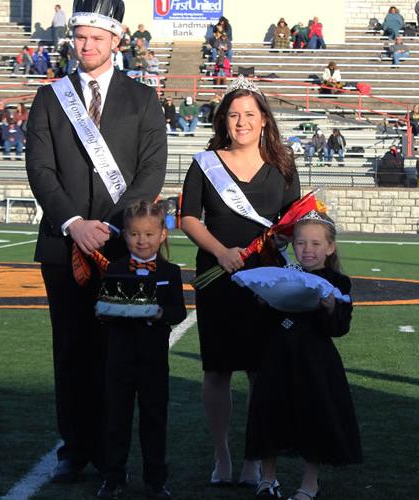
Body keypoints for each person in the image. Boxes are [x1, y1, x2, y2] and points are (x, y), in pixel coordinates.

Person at [25, 0, 167, 484]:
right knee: (70, 350)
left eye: (97, 38)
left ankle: (114, 455)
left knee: (118, 354)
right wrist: (73, 222)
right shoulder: (51, 97)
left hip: (124, 246)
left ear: (116, 41)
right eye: (80, 37)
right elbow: (40, 170)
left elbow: (151, 170)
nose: (87, 45)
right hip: (63, 244)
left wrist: (109, 226)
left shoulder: (142, 98)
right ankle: (75, 448)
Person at [180, 75, 300, 488]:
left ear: (264, 119)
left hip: (266, 282)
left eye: (250, 114)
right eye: (234, 114)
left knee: (261, 372)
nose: (242, 121)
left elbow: (291, 219)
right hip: (218, 278)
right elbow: (189, 218)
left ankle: (256, 457)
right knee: (217, 370)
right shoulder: (204, 163)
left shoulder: (283, 165)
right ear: (224, 121)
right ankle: (223, 455)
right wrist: (220, 251)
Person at [246, 211, 362, 500]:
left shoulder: (339, 282)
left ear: (330, 247)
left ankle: (310, 483)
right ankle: (267, 479)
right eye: (300, 243)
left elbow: (338, 329)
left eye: (315, 243)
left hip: (314, 360)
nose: (307, 250)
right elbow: (263, 324)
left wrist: (331, 307)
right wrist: (263, 301)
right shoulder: (282, 274)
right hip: (276, 356)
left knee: (314, 417)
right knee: (269, 414)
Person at [97, 200, 186, 500]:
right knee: (116, 420)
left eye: (149, 234)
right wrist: (107, 310)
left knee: (154, 420)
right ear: (125, 236)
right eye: (135, 234)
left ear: (162, 234)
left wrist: (159, 313)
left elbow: (179, 311)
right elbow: (102, 307)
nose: (142, 240)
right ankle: (112, 478)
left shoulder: (171, 271)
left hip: (153, 361)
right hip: (119, 359)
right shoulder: (115, 268)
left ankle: (156, 480)